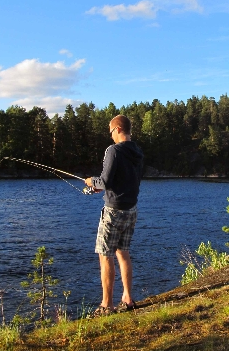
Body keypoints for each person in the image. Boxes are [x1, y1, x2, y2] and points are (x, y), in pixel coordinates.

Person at [84, 115, 144, 316]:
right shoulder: (137, 152)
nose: (110, 136)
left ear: (118, 129)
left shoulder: (114, 150)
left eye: (111, 132)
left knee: (105, 255)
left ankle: (106, 305)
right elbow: (127, 180)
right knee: (123, 252)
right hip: (131, 209)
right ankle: (128, 298)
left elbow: (106, 180)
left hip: (114, 211)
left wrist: (92, 181)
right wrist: (103, 186)